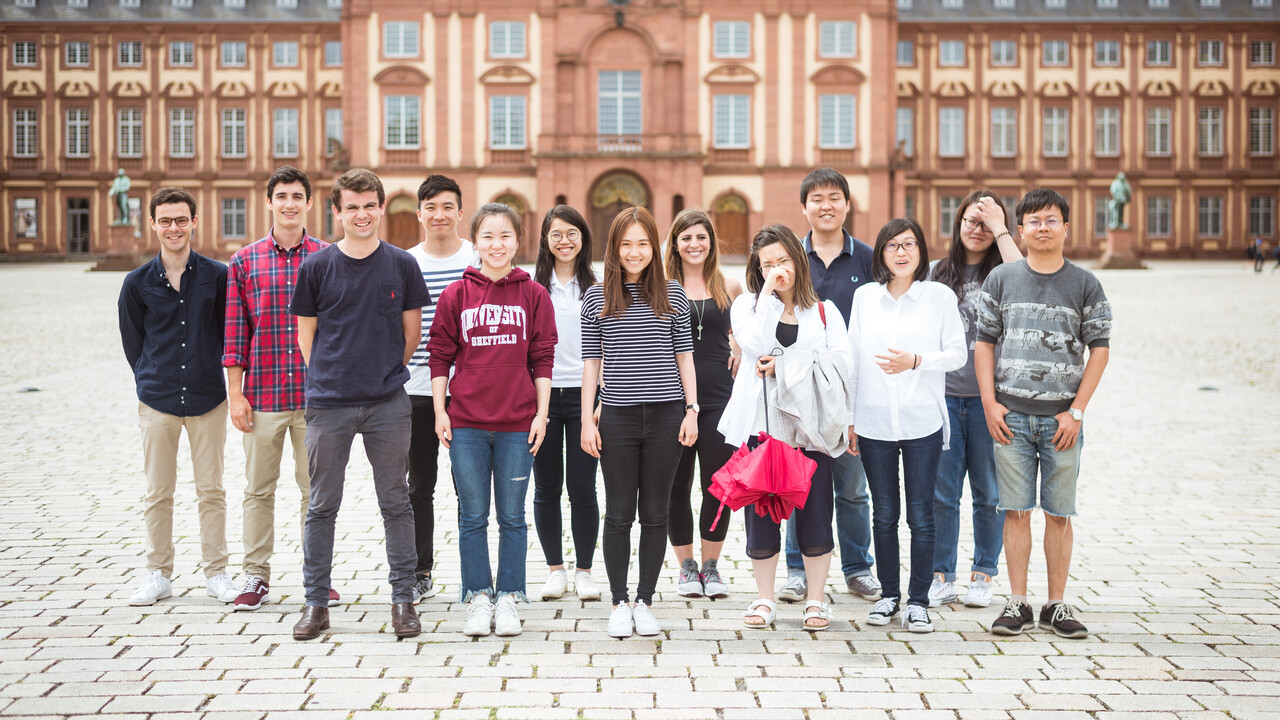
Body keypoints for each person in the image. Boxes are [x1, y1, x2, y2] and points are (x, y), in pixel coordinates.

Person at [288, 168, 430, 641]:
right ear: (337, 212)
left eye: (370, 205)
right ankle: (315, 603)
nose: (362, 214)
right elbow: (306, 336)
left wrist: (383, 369)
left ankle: (403, 600)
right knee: (322, 505)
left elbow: (412, 334)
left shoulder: (402, 265)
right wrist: (332, 374)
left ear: (381, 208)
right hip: (329, 404)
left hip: (388, 401)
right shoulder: (317, 267)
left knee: (396, 501)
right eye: (352, 206)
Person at [975, 188, 1112, 639]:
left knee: (1058, 513)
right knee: (1014, 511)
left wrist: (1076, 411)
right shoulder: (1002, 279)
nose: (1042, 228)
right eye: (1033, 222)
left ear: (1065, 227)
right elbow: (984, 344)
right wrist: (991, 403)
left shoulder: (1085, 283)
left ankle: (1056, 604)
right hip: (1011, 416)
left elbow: (1100, 350)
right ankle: (1016, 602)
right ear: (1020, 230)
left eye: (1051, 220)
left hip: (1060, 422)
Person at [427, 203, 557, 637]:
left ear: (518, 241)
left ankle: (509, 597)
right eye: (487, 236)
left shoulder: (534, 295)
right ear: (475, 241)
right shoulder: (455, 294)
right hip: (466, 424)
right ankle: (478, 595)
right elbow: (440, 357)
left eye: (505, 236)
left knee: (513, 516)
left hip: (519, 424)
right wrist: (440, 410)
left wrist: (541, 415)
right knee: (473, 516)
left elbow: (542, 359)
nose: (496, 244)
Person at [722, 225, 852, 632]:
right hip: (763, 425)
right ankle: (764, 598)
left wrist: (787, 368)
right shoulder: (747, 305)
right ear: (757, 271)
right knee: (761, 514)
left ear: (798, 259)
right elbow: (756, 345)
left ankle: (816, 600)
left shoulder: (825, 311)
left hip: (810, 426)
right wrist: (766, 297)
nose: (777, 269)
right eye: (766, 264)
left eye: (782, 260)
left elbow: (843, 366)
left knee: (816, 513)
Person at [223, 166, 338, 611]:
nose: (289, 203)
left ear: (309, 203)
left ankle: (318, 577)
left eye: (297, 196)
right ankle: (256, 577)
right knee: (258, 490)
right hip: (264, 396)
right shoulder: (244, 261)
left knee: (318, 492)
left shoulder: (329, 257)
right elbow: (235, 337)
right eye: (281, 196)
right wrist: (236, 395)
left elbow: (338, 332)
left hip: (318, 398)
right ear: (268, 202)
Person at [580, 206, 699, 638]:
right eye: (626, 244)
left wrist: (692, 410)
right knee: (618, 514)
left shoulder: (674, 294)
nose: (634, 252)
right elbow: (591, 364)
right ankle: (618, 600)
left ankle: (645, 600)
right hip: (617, 418)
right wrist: (586, 421)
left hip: (667, 415)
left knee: (655, 513)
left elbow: (684, 356)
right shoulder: (596, 297)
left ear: (655, 247)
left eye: (643, 244)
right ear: (613, 248)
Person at [118, 186, 236, 606]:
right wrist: (152, 379)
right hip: (158, 399)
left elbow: (230, 334)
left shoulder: (219, 276)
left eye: (181, 219)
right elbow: (134, 345)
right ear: (153, 224)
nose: (173, 227)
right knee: (158, 492)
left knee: (212, 490)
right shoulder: (136, 283)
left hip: (208, 397)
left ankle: (217, 574)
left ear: (194, 222)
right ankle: (158, 574)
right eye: (165, 220)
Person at [850, 218, 966, 634]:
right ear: (881, 253)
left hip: (922, 421)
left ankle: (918, 602)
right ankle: (888, 596)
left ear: (921, 251)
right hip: (874, 420)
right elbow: (853, 362)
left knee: (921, 515)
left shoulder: (938, 297)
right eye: (893, 246)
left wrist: (917, 361)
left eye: (910, 244)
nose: (901, 252)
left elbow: (957, 354)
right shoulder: (865, 298)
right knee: (884, 515)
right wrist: (850, 419)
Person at [779, 168, 880, 604]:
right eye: (816, 198)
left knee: (853, 488)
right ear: (803, 207)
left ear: (847, 204)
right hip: (796, 394)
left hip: (847, 394)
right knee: (794, 484)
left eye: (834, 197)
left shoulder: (869, 259)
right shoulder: (787, 258)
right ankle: (797, 570)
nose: (826, 205)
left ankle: (858, 568)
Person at [926, 191, 1023, 609]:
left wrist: (1002, 226)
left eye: (986, 223)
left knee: (989, 493)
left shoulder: (1007, 274)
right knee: (942, 495)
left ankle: (983, 574)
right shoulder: (935, 273)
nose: (976, 229)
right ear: (957, 223)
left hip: (991, 402)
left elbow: (1027, 279)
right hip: (943, 398)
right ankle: (940, 575)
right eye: (970, 220)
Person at [664, 208, 743, 598]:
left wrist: (743, 348)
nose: (694, 244)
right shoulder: (660, 288)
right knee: (675, 488)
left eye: (701, 237)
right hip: (671, 401)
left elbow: (750, 330)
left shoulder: (731, 285)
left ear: (711, 241)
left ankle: (711, 567)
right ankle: (686, 567)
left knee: (718, 487)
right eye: (686, 238)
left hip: (720, 401)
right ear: (675, 244)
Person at [404, 174, 475, 604]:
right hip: (414, 388)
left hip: (468, 390)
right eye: (431, 207)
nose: (439, 214)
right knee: (418, 486)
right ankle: (420, 570)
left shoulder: (478, 256)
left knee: (469, 487)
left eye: (447, 206)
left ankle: (474, 574)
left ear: (460, 213)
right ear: (419, 213)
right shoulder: (406, 261)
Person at [532, 205, 602, 602]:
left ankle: (585, 571)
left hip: (584, 397)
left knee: (583, 487)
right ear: (545, 239)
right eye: (556, 233)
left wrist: (602, 400)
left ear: (583, 237)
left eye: (572, 233)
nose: (564, 240)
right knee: (546, 488)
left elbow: (612, 343)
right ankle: (555, 569)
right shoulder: (530, 285)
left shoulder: (599, 285)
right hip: (541, 398)